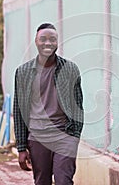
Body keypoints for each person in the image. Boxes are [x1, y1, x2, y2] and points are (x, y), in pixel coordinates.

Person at [13, 23, 84, 185]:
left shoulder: (70, 69)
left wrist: (74, 137)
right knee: (42, 181)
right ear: (36, 42)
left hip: (64, 136)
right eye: (43, 39)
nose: (48, 43)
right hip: (37, 137)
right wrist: (21, 147)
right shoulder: (23, 72)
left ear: (57, 42)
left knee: (63, 181)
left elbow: (78, 108)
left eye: (52, 39)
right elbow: (19, 111)